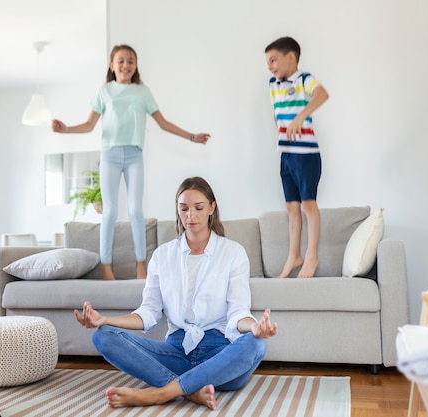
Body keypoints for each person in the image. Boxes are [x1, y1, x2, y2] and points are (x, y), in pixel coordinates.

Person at [74, 176, 278, 409]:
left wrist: (254, 327)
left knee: (257, 344)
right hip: (175, 352)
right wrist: (105, 319)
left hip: (218, 355)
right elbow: (149, 312)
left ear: (212, 208)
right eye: (184, 208)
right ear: (178, 211)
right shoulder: (162, 255)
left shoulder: (233, 252)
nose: (190, 215)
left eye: (199, 207)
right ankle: (191, 391)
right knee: (102, 335)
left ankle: (159, 394)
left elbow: (238, 311)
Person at [52, 45, 210, 281]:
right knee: (111, 211)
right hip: (110, 154)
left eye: (130, 61)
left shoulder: (142, 92)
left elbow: (163, 123)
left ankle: (140, 265)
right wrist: (66, 130)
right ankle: (106, 266)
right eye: (121, 61)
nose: (126, 65)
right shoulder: (105, 91)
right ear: (111, 65)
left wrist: (191, 136)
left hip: (134, 154)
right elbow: (89, 125)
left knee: (136, 210)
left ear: (135, 65)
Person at [264, 36, 330, 278]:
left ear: (290, 57)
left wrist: (301, 117)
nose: (270, 66)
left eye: (273, 60)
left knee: (308, 205)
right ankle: (295, 255)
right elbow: (277, 113)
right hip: (286, 154)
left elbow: (323, 94)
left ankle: (311, 255)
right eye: (268, 62)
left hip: (306, 154)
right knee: (292, 207)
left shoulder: (304, 79)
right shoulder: (273, 84)